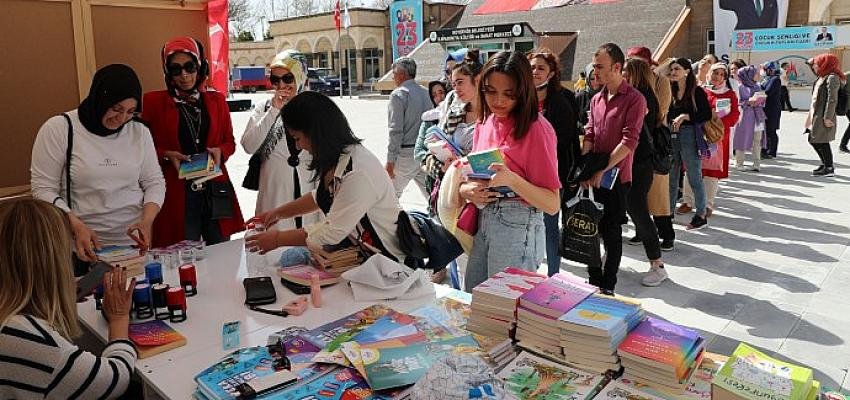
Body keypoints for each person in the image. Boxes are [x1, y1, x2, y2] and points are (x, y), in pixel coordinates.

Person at [245, 92, 408, 262]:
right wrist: (277, 213)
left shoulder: (358, 171)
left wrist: (277, 239)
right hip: (365, 258)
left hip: (390, 264)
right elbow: (320, 197)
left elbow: (332, 232)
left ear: (317, 133)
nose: (298, 145)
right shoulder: (340, 159)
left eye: (297, 138)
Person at [30, 64, 165, 271]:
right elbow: (42, 189)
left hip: (131, 246)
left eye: (130, 112)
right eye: (116, 109)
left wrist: (147, 221)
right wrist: (73, 223)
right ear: (99, 99)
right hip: (82, 247)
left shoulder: (138, 132)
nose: (121, 119)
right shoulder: (59, 129)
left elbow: (154, 182)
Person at [0, 199, 137, 399]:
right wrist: (119, 318)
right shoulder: (22, 337)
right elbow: (115, 378)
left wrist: (53, 293)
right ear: (53, 262)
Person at [459, 51, 561, 291]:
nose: (498, 101)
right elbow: (472, 173)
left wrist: (513, 180)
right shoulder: (485, 122)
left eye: (509, 93)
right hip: (484, 217)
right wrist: (467, 190)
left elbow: (552, 203)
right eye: (490, 91)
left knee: (503, 309)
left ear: (523, 91)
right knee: (473, 298)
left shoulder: (537, 129)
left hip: (518, 223)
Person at [143, 37, 244, 247]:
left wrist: (220, 151)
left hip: (214, 189)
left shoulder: (217, 101)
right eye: (176, 69)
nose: (184, 75)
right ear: (167, 73)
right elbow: (139, 148)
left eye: (190, 67)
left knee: (220, 250)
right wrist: (165, 154)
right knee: (180, 253)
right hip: (177, 192)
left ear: (200, 66)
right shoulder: (152, 103)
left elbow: (229, 142)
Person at [581, 43, 646, 294]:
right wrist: (586, 168)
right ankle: (593, 279)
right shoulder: (596, 98)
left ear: (617, 67)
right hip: (594, 176)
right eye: (594, 66)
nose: (594, 71)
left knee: (611, 232)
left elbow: (629, 142)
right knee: (590, 229)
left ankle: (608, 284)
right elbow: (590, 133)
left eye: (600, 66)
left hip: (617, 178)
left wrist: (602, 170)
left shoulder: (634, 99)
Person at [414, 49, 483, 283]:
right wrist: (443, 168)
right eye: (452, 83)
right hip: (449, 198)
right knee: (457, 265)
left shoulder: (493, 116)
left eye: (461, 82)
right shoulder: (450, 111)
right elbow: (423, 152)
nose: (456, 89)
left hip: (477, 202)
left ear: (478, 79)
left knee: (474, 266)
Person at [241, 50, 318, 231]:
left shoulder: (315, 108)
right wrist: (274, 111)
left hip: (307, 192)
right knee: (272, 250)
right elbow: (248, 146)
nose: (281, 84)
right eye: (275, 80)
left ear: (300, 76)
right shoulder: (265, 108)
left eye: (287, 78)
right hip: (273, 194)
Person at [528, 48, 580, 277]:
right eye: (532, 67)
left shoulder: (562, 100)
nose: (535, 72)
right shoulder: (521, 98)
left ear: (551, 73)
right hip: (524, 174)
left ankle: (554, 276)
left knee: (550, 227)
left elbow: (567, 141)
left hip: (552, 174)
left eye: (541, 68)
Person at [621, 58, 668, 287]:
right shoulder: (641, 94)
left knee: (639, 212)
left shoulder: (640, 97)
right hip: (634, 162)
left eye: (625, 71)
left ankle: (657, 265)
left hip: (640, 162)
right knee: (632, 210)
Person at [625, 48, 673, 250]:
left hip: (651, 146)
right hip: (638, 150)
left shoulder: (658, 84)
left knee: (658, 197)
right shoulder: (631, 91)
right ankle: (642, 231)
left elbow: (660, 113)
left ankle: (666, 235)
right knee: (640, 198)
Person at [681, 63, 740, 218]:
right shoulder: (699, 91)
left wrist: (716, 125)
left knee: (711, 173)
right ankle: (687, 201)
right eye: (715, 72)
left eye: (722, 74)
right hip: (697, 134)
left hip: (716, 138)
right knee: (691, 168)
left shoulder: (729, 94)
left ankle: (708, 204)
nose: (718, 76)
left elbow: (734, 115)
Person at [666, 58, 711, 231]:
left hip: (689, 135)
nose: (673, 72)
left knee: (694, 176)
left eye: (677, 68)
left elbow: (705, 114)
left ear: (686, 71)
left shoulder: (696, 91)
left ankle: (700, 214)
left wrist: (685, 116)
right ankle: (668, 212)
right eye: (672, 69)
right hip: (672, 135)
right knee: (671, 175)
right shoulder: (670, 89)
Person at [386, 57, 432, 199]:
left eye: (394, 73)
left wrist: (390, 160)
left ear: (402, 74)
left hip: (405, 155)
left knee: (389, 196)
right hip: (424, 152)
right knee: (432, 196)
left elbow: (396, 131)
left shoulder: (398, 95)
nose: (393, 76)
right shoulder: (426, 93)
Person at [806, 54, 844, 177]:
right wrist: (810, 62)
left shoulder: (832, 78)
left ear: (824, 64)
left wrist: (827, 117)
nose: (815, 66)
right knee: (814, 139)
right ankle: (825, 163)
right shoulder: (821, 77)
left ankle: (829, 167)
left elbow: (832, 99)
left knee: (820, 140)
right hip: (815, 113)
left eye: (817, 63)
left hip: (824, 114)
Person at [733, 65, 767, 172]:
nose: (757, 75)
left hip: (758, 117)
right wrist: (748, 102)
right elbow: (736, 103)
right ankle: (739, 163)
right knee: (742, 139)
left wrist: (761, 100)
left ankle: (757, 164)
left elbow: (763, 101)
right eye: (755, 73)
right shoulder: (739, 87)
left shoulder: (757, 86)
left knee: (757, 141)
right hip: (745, 117)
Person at [761, 61, 783, 159]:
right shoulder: (767, 79)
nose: (764, 71)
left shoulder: (775, 80)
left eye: (766, 69)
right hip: (766, 108)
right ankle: (765, 149)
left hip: (772, 109)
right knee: (766, 130)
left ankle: (772, 151)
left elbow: (767, 92)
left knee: (771, 130)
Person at [576, 63, 602, 131]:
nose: (596, 81)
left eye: (598, 77)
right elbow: (572, 119)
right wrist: (583, 128)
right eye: (592, 79)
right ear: (587, 79)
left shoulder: (608, 95)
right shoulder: (579, 97)